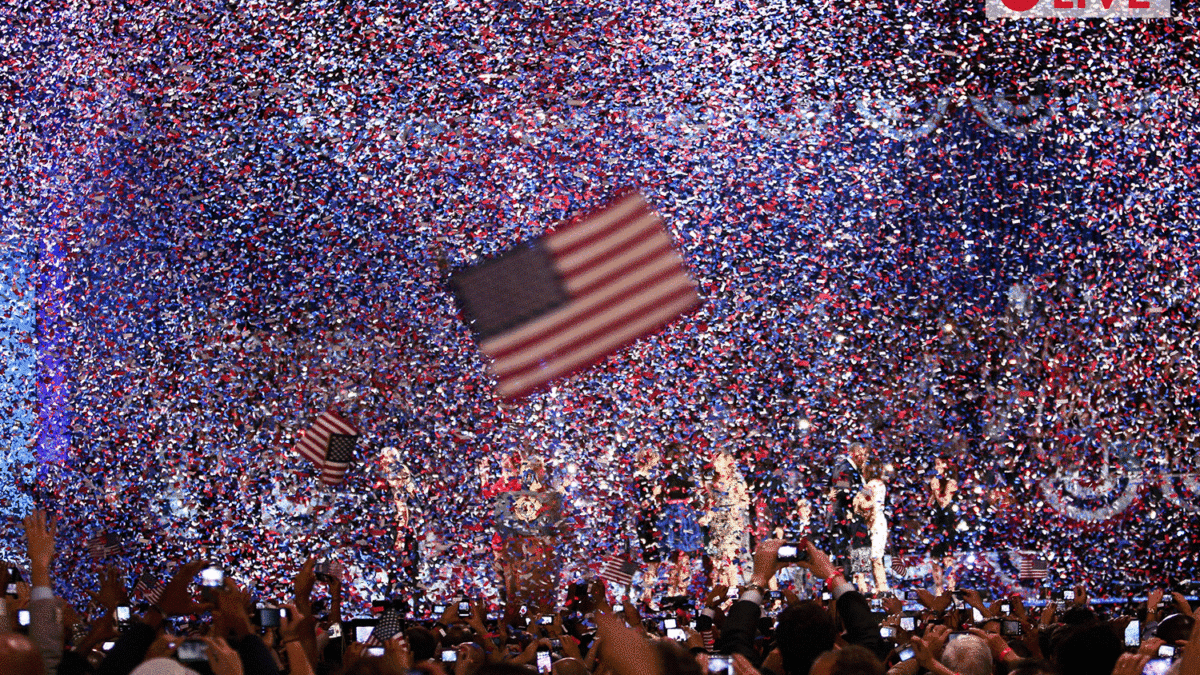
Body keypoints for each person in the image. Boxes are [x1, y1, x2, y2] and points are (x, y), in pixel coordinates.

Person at [702, 452, 750, 588]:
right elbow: (709, 501)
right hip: (716, 523)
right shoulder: (711, 480)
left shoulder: (736, 479)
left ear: (726, 462)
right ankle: (723, 594)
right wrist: (708, 513)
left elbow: (745, 500)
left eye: (718, 461)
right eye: (714, 461)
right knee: (718, 561)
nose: (714, 463)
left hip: (731, 522)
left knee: (729, 559)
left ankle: (732, 594)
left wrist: (734, 506)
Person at [830, 442, 871, 584]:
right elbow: (842, 492)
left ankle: (859, 588)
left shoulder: (855, 470)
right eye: (863, 454)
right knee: (848, 560)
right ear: (855, 453)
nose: (865, 458)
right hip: (847, 521)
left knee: (859, 557)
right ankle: (850, 592)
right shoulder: (844, 468)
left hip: (855, 521)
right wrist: (867, 491)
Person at [632, 448, 664, 603]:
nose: (656, 464)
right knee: (652, 560)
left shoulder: (647, 478)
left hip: (654, 522)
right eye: (654, 460)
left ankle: (648, 593)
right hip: (647, 524)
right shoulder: (639, 479)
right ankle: (646, 594)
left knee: (655, 561)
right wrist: (654, 494)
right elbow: (644, 503)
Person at [928, 455, 960, 595]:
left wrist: (935, 489)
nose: (936, 467)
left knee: (947, 558)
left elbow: (944, 503)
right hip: (936, 523)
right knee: (935, 558)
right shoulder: (936, 482)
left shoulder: (951, 483)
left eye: (939, 464)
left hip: (947, 524)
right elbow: (930, 503)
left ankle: (951, 587)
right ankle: (939, 588)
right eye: (935, 464)